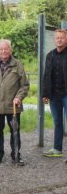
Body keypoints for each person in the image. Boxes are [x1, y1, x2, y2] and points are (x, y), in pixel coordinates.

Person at [0, 39, 29, 165]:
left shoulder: (18, 64)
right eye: (1, 49)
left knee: (15, 131)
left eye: (6, 48)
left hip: (13, 106)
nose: (3, 51)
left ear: (10, 50)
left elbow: (24, 85)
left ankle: (16, 155)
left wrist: (19, 97)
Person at [42, 29, 67, 158]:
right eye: (57, 38)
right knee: (57, 122)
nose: (59, 40)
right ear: (54, 39)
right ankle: (57, 149)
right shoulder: (50, 55)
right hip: (54, 95)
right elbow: (46, 76)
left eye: (62, 38)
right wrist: (45, 94)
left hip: (66, 94)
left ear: (66, 39)